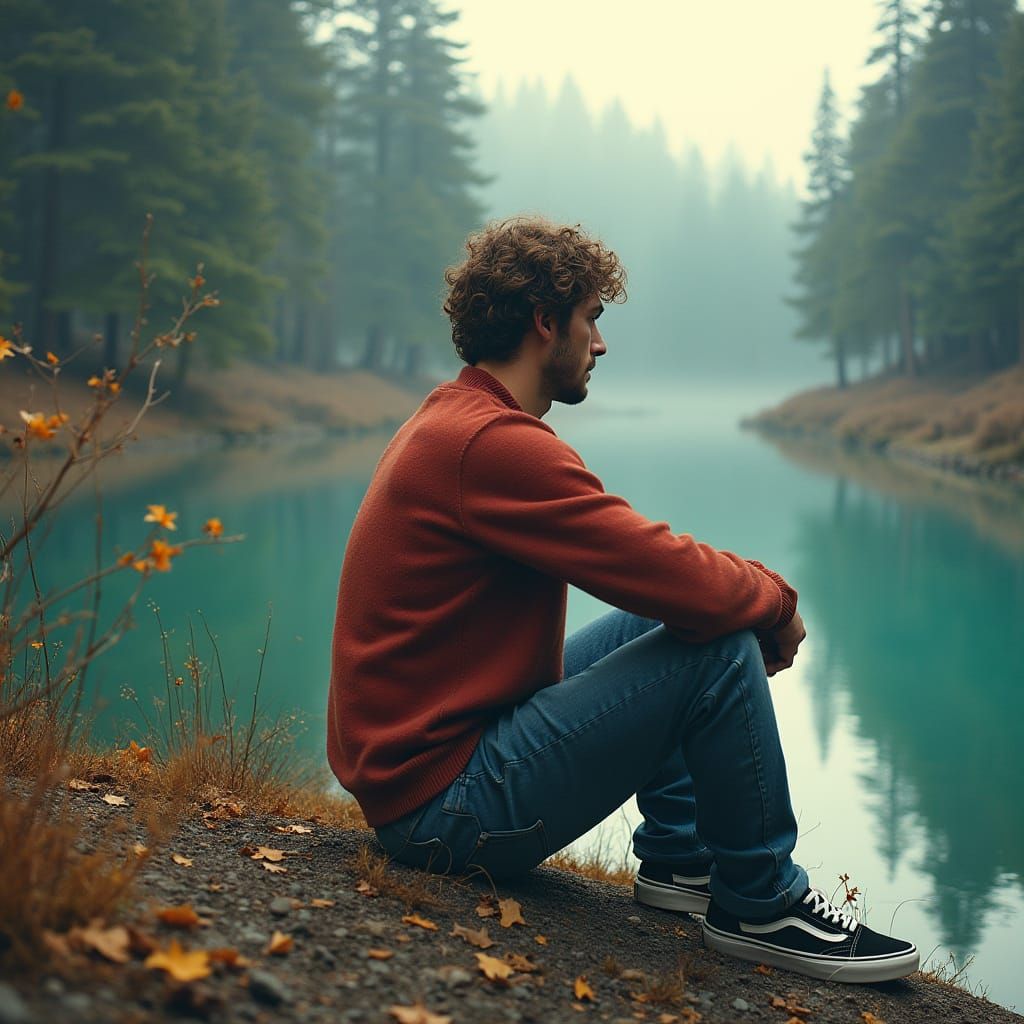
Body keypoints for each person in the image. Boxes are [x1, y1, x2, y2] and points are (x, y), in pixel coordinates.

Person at [326, 217, 918, 984]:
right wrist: (774, 600)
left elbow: (662, 583)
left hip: (431, 775)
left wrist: (742, 599)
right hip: (444, 811)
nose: (600, 344)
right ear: (547, 322)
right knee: (716, 643)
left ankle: (681, 861)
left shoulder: (457, 421)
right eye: (592, 318)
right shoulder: (493, 446)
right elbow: (669, 569)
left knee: (663, 618)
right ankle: (762, 902)